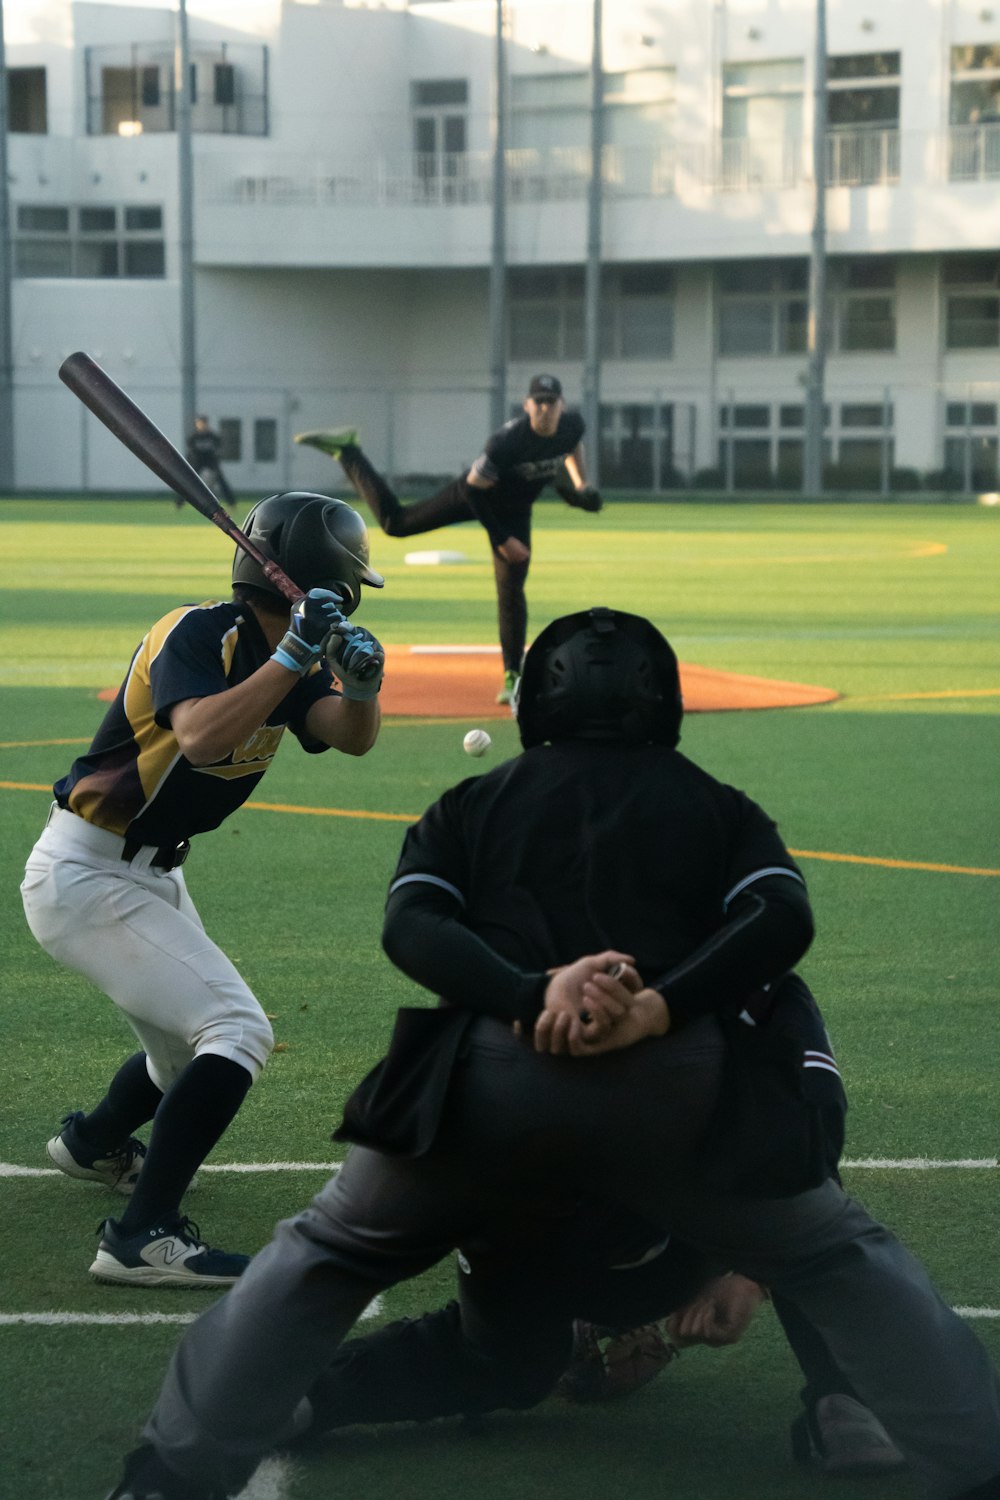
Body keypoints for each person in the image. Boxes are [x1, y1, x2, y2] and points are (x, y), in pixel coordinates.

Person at [104, 607, 1000, 1500]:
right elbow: (781, 918)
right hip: (679, 1088)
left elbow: (412, 926)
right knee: (839, 1257)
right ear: (668, 704)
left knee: (328, 1251)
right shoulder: (718, 807)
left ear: (533, 702)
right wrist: (656, 1006)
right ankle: (961, 1460)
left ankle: (168, 1477)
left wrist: (532, 995)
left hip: (492, 1077)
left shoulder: (474, 802)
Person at [21, 492, 386, 1289]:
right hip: (87, 872)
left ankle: (92, 1143)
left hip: (148, 874)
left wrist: (359, 686)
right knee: (237, 1032)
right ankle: (139, 1238)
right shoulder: (196, 631)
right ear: (330, 578)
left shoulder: (291, 653)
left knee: (187, 1056)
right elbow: (199, 734)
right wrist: (294, 657)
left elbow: (346, 738)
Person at [294, 373, 602, 704]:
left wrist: (581, 485)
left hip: (516, 511)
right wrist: (501, 540)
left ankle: (513, 675)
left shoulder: (573, 425)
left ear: (561, 405)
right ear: (527, 405)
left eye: (551, 402)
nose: (544, 409)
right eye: (538, 402)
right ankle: (349, 451)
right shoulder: (507, 443)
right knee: (395, 523)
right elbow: (472, 488)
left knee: (512, 590)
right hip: (477, 496)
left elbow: (572, 447)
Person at [185, 415, 236, 507]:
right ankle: (179, 504)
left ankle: (231, 502)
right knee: (190, 480)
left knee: (221, 480)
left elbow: (218, 446)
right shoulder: (194, 436)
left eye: (203, 423)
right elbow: (191, 450)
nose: (201, 425)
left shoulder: (211, 436)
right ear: (197, 424)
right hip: (198, 461)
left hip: (210, 460)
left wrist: (216, 457)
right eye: (199, 423)